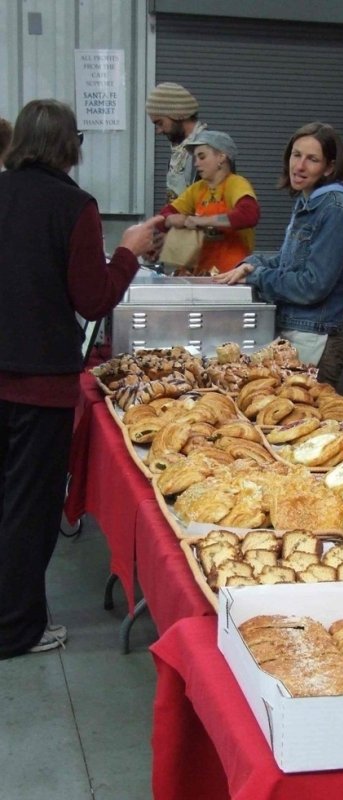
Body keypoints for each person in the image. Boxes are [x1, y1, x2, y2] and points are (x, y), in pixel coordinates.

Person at [0, 99, 160, 658]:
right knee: (28, 508)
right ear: (71, 144)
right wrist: (128, 252)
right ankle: (16, 628)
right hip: (39, 385)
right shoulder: (74, 206)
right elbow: (93, 300)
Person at [215, 121, 343, 387]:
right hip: (294, 333)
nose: (300, 166)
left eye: (312, 159)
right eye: (296, 155)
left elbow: (312, 285)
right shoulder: (308, 200)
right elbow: (288, 260)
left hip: (315, 338)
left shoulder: (336, 206)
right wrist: (252, 263)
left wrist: (258, 276)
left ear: (329, 167)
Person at [157, 130, 260, 275]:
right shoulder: (197, 189)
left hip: (232, 275)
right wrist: (171, 219)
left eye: (202, 157)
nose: (196, 163)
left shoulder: (236, 184)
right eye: (195, 158)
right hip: (201, 274)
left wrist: (202, 221)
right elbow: (162, 217)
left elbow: (248, 215)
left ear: (221, 157)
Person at [145, 82, 207, 203]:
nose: (159, 131)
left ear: (177, 114)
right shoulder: (178, 151)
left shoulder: (209, 148)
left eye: (160, 123)